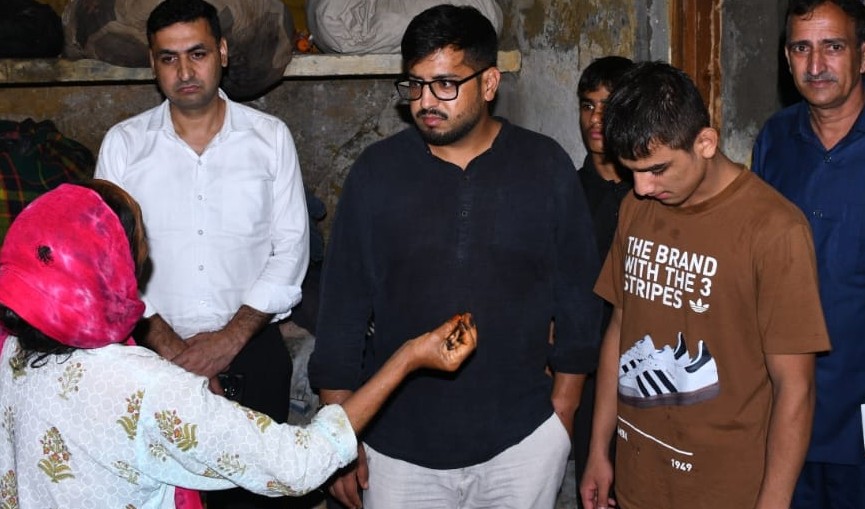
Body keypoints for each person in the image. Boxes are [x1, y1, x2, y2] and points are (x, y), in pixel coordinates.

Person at [0, 181, 478, 509]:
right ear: (113, 269)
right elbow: (298, 463)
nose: (144, 254)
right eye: (137, 244)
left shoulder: (12, 355)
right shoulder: (144, 390)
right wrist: (407, 357)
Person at [308, 5, 602, 509]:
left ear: (489, 83)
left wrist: (565, 407)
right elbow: (342, 309)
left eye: (445, 84)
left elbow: (579, 297)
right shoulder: (377, 174)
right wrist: (340, 434)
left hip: (523, 440)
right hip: (396, 447)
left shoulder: (543, 165)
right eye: (415, 85)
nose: (426, 101)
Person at [579, 61, 830, 509]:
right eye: (631, 170)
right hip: (638, 482)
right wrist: (599, 449)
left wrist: (774, 501)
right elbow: (619, 329)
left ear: (705, 143)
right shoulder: (638, 207)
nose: (642, 187)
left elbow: (796, 388)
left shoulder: (775, 230)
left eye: (657, 169)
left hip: (726, 491)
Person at [94, 1, 308, 506]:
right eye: (169, 58)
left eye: (198, 53)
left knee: (252, 495)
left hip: (251, 352)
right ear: (153, 63)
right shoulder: (124, 145)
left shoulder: (269, 139)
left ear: (223, 52)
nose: (185, 71)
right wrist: (172, 350)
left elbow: (291, 248)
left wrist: (228, 339)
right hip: (148, 358)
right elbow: (107, 261)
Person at [751, 1, 865, 506]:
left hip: (857, 412)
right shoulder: (775, 140)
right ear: (786, 58)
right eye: (802, 48)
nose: (816, 65)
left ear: (863, 55)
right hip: (783, 411)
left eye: (833, 46)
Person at [572, 55, 634, 508]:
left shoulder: (652, 194)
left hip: (648, 377)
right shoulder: (565, 192)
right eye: (587, 105)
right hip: (584, 377)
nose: (596, 119)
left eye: (608, 106)